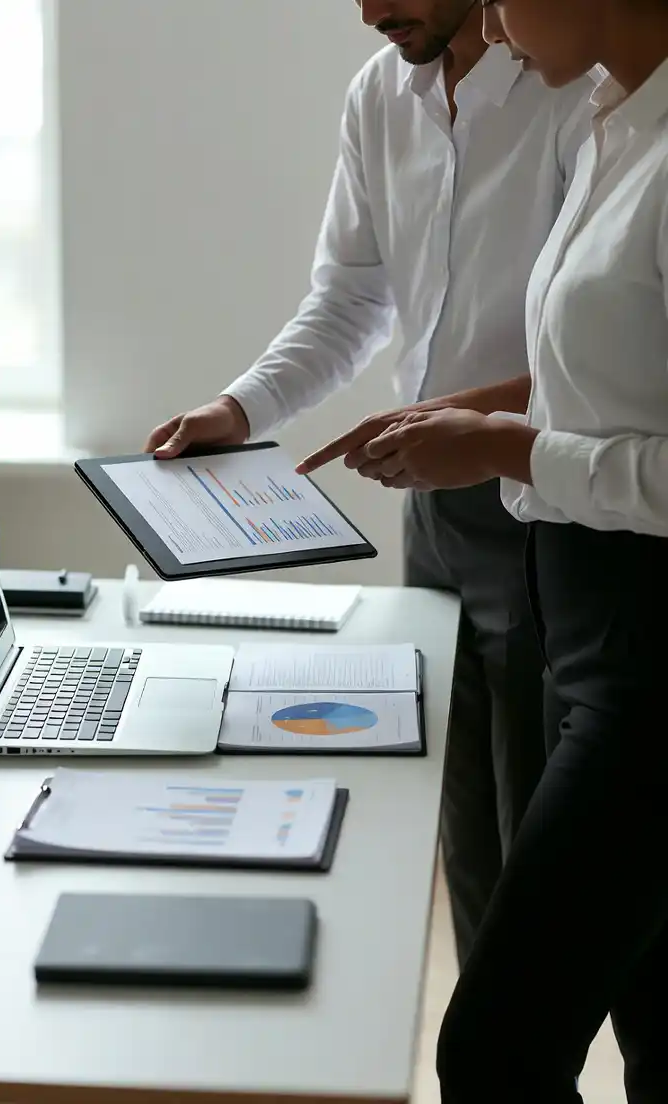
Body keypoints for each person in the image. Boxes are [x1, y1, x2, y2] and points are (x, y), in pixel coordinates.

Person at [144, 0, 591, 968]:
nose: (368, 12)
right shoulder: (379, 96)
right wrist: (242, 409)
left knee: (539, 877)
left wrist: (457, 426)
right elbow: (349, 300)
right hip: (430, 517)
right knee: (464, 844)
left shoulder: (573, 88)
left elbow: (596, 361)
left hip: (546, 510)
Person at [309, 0, 668, 1098]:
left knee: (493, 1042)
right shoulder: (617, 121)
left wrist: (511, 446)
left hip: (647, 661)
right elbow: (609, 378)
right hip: (589, 627)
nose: (496, 22)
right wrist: (461, 420)